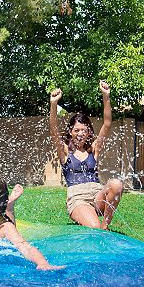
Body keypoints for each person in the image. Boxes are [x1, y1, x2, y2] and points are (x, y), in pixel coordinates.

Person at [49, 80, 123, 229]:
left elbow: (107, 123)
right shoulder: (65, 152)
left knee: (117, 184)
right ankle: (91, 220)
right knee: (93, 226)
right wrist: (53, 104)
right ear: (71, 132)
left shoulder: (94, 149)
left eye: (84, 130)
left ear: (89, 132)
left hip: (97, 196)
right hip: (78, 199)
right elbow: (53, 129)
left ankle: (105, 225)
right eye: (77, 130)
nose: (80, 133)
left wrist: (106, 96)